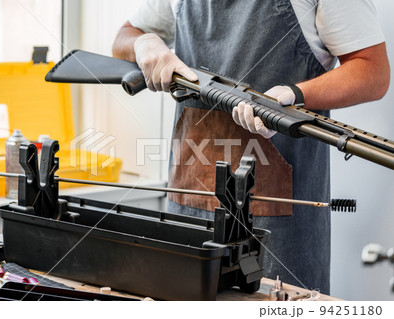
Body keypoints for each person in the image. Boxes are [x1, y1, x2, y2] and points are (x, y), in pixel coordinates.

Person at [112, 0, 390, 294]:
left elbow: (373, 72)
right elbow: (123, 37)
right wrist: (144, 43)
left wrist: (295, 95)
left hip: (277, 225)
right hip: (188, 204)